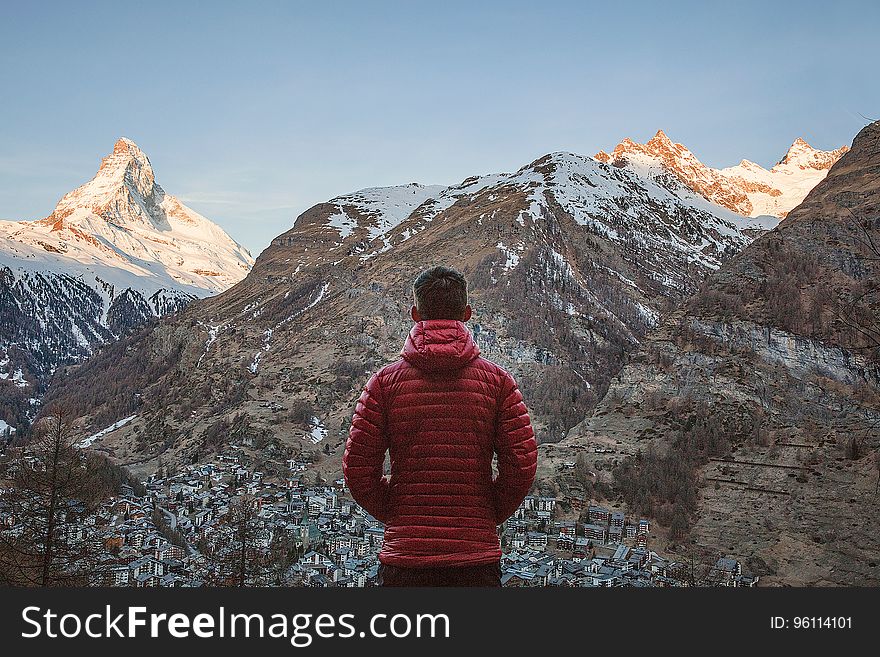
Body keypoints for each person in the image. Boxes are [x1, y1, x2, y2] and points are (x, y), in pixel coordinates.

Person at [343, 265, 537, 586]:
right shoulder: (499, 383)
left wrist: (398, 514)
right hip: (476, 561)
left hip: (405, 560)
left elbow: (358, 471)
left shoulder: (383, 384)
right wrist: (484, 516)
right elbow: (521, 467)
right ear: (467, 313)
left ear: (415, 314)